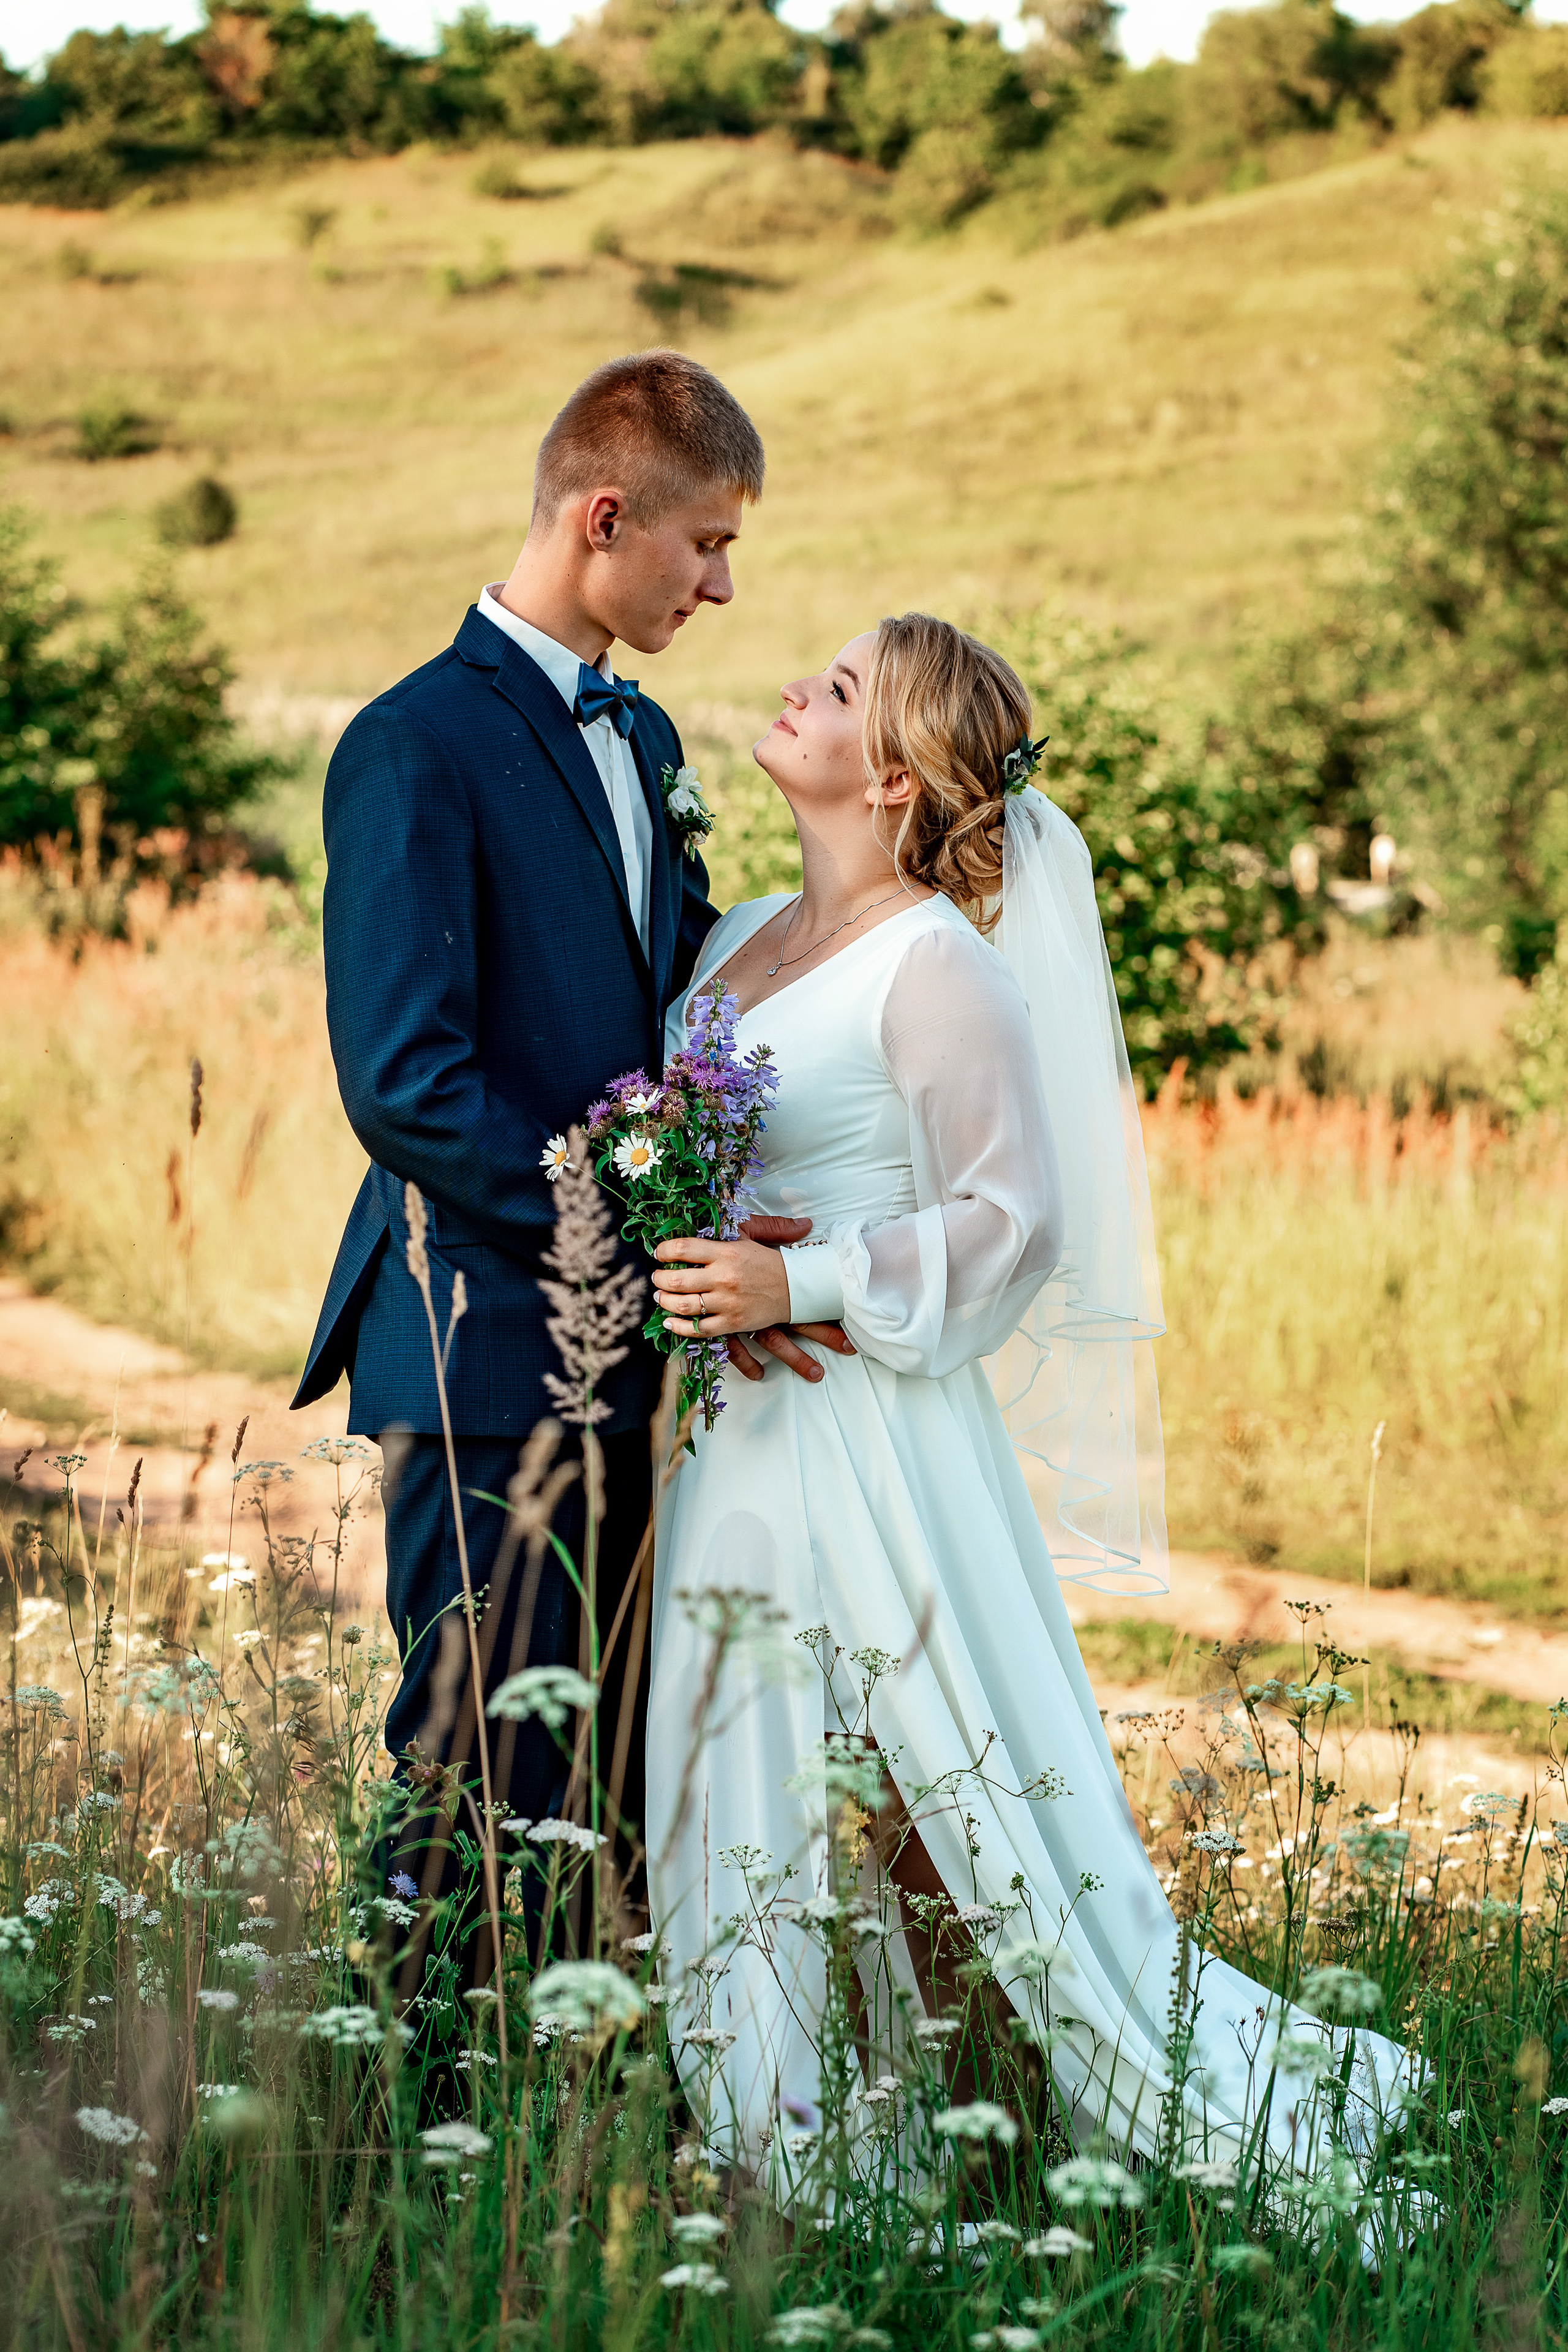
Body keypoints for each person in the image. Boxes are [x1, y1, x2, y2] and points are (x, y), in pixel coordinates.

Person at [643, 612, 1412, 2194]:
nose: (800, 685)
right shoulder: (733, 941)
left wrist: (807, 1283)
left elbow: (1015, 1224)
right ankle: (777, 2144)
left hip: (870, 1434)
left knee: (940, 1785)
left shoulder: (938, 969)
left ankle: (1003, 2117)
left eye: (841, 688)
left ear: (903, 777)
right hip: (729, 1443)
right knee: (740, 1777)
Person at [290, 351, 838, 1953]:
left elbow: (671, 1015)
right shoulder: (412, 744)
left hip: (636, 1362)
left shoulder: (644, 730)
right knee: (473, 1781)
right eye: (707, 543)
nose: (725, 585)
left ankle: (564, 2144)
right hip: (478, 1345)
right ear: (608, 515)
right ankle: (412, 2148)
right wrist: (630, 1227)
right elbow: (408, 1084)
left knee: (603, 1780)